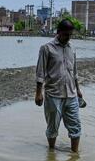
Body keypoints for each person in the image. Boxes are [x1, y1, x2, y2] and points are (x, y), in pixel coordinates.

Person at [35, 19, 82, 152]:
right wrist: (38, 93)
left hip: (71, 95)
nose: (68, 38)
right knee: (52, 127)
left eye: (70, 35)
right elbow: (40, 72)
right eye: (66, 34)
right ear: (58, 32)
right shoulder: (46, 48)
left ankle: (75, 155)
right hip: (53, 94)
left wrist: (78, 90)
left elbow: (74, 71)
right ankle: (51, 153)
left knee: (76, 126)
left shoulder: (72, 48)